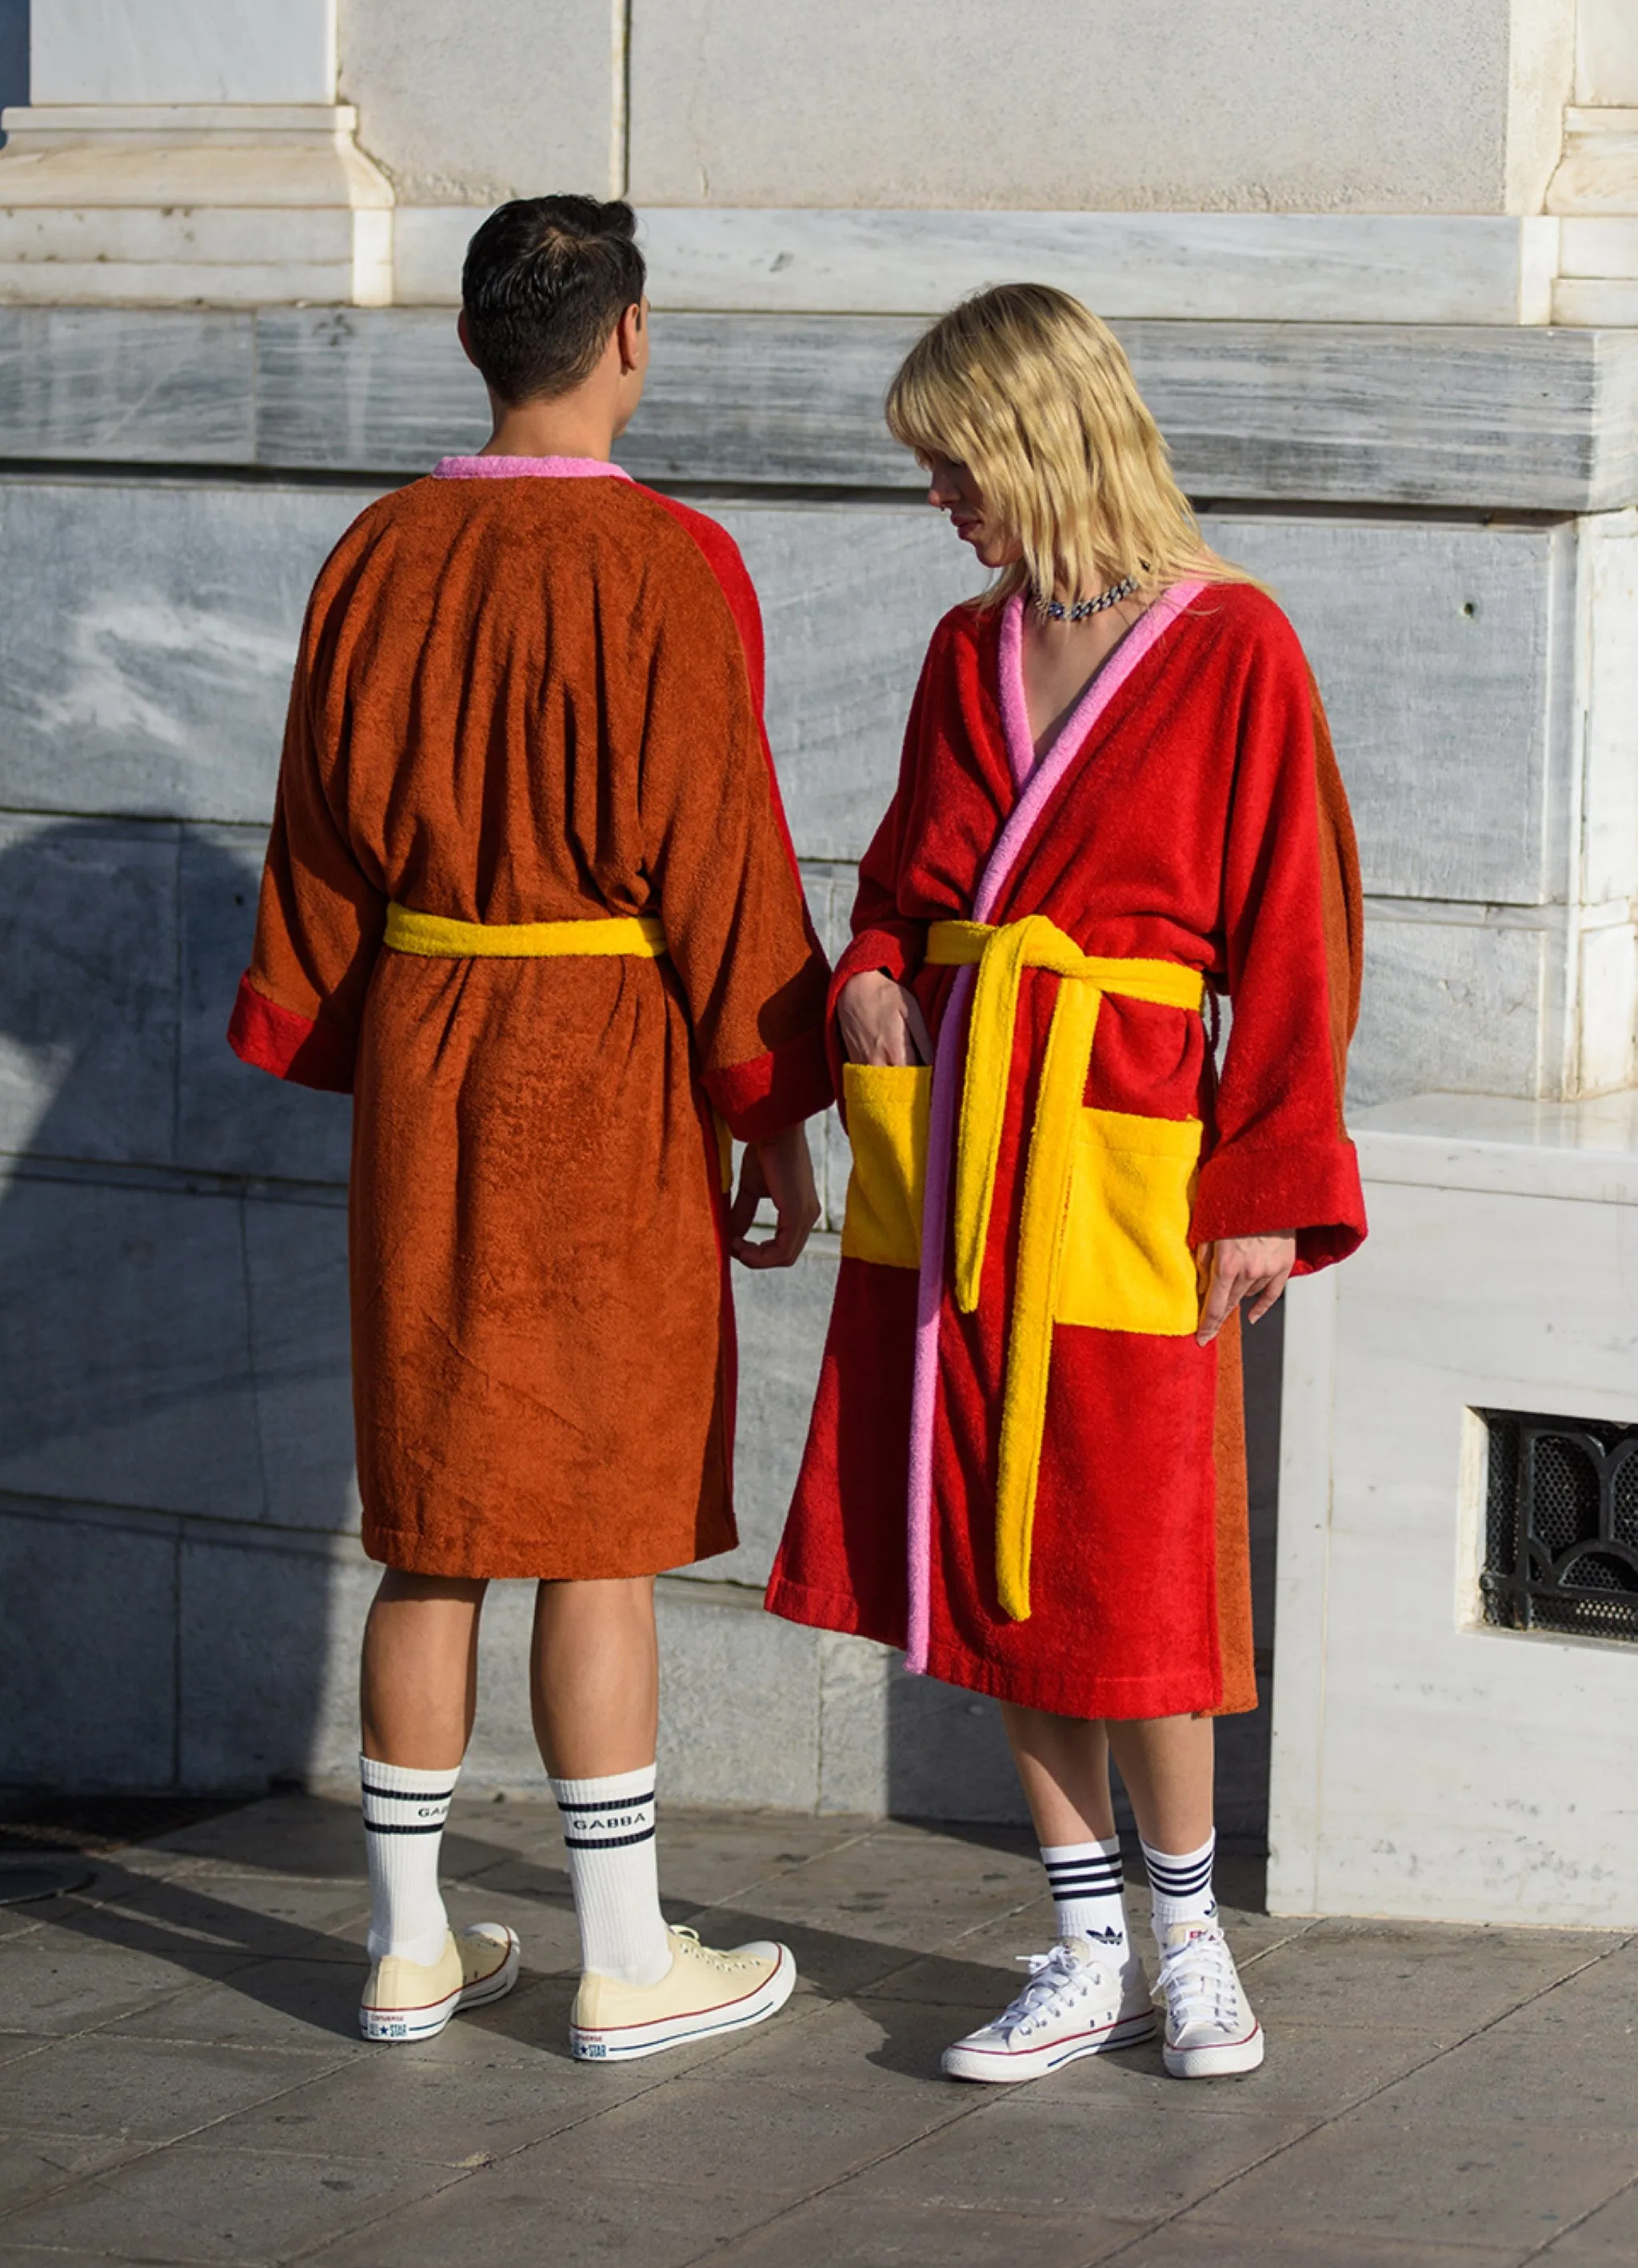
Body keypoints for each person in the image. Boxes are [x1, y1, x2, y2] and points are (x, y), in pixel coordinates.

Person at [229, 195, 831, 2062]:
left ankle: (411, 1947)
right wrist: (772, 1104)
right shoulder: (673, 566)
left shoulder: (376, 554)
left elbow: (319, 841)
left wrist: (341, 1029)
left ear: (482, 341)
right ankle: (626, 1955)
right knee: (594, 1516)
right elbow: (723, 856)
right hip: (602, 1056)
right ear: (630, 336)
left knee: (431, 1511)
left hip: (428, 1046)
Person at [765, 284, 1365, 2083]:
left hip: (1126, 1161)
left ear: (1040, 435)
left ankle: (1192, 1946)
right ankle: (1082, 1937)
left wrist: (1262, 1186)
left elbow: (1298, 934)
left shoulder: (1233, 647)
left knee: (1134, 1551)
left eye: (954, 463)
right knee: (990, 1546)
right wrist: (868, 972)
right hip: (961, 1150)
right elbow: (899, 884)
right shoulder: (968, 653)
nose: (939, 497)